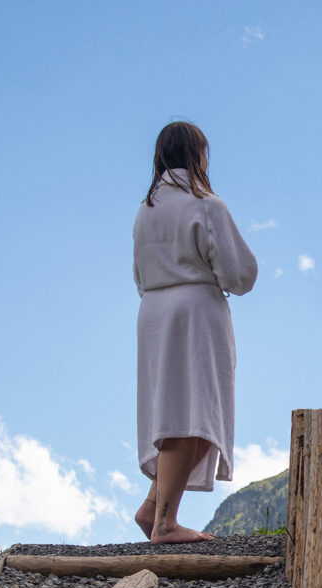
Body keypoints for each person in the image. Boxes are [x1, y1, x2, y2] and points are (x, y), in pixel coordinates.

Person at [132, 121, 258, 544]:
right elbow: (240, 273)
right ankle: (165, 523)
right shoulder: (206, 205)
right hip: (194, 313)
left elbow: (138, 273)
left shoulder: (144, 211)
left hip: (153, 311)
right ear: (196, 155)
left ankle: (154, 506)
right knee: (196, 415)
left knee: (182, 412)